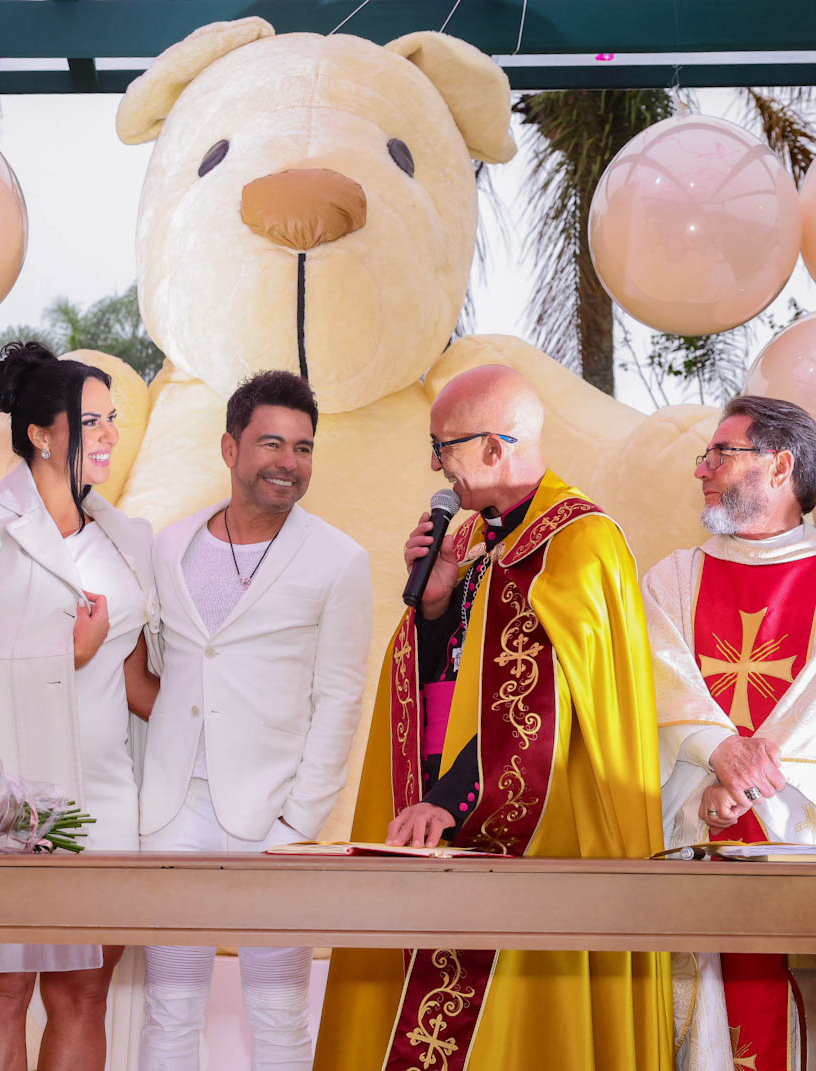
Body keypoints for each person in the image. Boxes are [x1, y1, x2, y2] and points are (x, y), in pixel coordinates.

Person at [317, 364, 672, 1071]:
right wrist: (436, 602)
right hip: (454, 812)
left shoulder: (581, 542)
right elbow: (450, 672)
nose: (436, 467)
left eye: (442, 447)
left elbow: (541, 693)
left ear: (491, 447)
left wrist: (453, 799)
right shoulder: (478, 539)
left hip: (550, 834)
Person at [645, 394, 816, 1071]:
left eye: (720, 453)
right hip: (698, 837)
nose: (702, 469)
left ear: (780, 466)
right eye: (703, 455)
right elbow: (656, 679)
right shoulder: (672, 577)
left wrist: (745, 779)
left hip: (806, 846)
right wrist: (715, 757)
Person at [0, 341, 161, 1071]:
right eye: (92, 419)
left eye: (113, 419)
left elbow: (140, 677)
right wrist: (65, 654)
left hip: (110, 799)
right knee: (2, 992)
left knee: (84, 992)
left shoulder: (128, 539)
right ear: (42, 434)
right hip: (10, 800)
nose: (109, 433)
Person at [139, 369, 372, 1071]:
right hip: (173, 810)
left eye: (303, 447)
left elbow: (339, 697)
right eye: (272, 442)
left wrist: (299, 824)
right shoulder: (167, 546)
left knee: (278, 1015)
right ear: (229, 447)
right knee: (170, 1010)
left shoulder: (340, 559)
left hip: (275, 816)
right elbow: (159, 671)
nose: (288, 462)